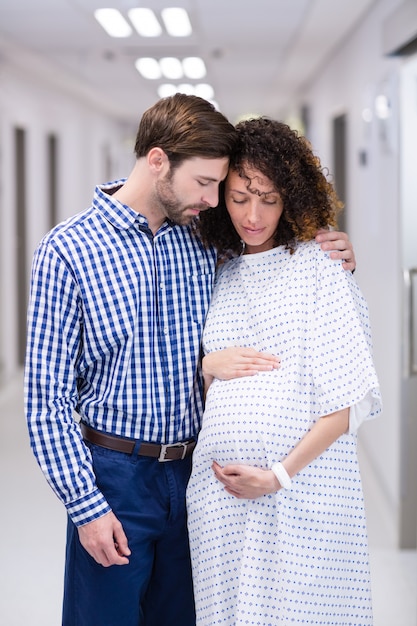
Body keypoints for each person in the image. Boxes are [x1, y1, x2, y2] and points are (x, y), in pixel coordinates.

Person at [24, 94, 356, 626]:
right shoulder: (67, 251)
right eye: (205, 183)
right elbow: (46, 401)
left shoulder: (205, 239)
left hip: (197, 476)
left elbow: (269, 261)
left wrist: (332, 248)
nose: (213, 198)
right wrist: (85, 506)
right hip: (115, 477)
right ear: (158, 161)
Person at [186, 116, 382, 625]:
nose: (252, 215)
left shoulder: (320, 268)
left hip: (300, 497)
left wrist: (277, 475)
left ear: (291, 198)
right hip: (220, 502)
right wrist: (207, 365)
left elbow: (349, 401)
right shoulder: (217, 271)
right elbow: (190, 371)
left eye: (269, 199)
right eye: (238, 197)